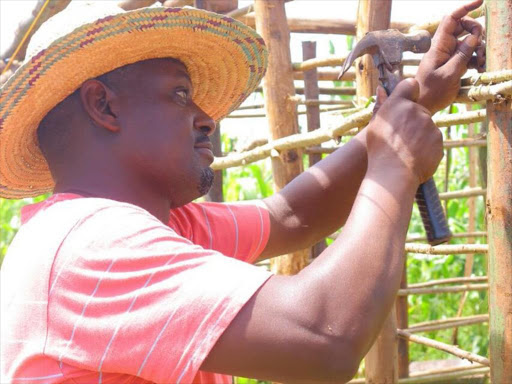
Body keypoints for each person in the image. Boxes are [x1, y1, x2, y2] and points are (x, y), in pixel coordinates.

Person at [0, 1, 485, 383]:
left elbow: (291, 216)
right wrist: (394, 165)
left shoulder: (150, 224)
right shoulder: (93, 246)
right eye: (178, 94)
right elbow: (325, 337)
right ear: (103, 105)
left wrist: (414, 101)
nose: (206, 118)